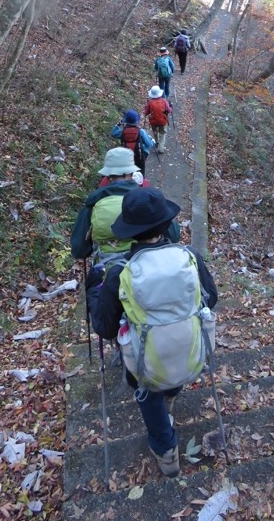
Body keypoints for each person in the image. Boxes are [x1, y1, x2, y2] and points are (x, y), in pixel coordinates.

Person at [86, 188, 218, 478]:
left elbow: (105, 327)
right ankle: (170, 392)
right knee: (169, 362)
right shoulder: (190, 257)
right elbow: (211, 298)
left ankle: (166, 450)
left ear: (130, 231)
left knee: (146, 384)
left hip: (146, 362)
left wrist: (94, 291)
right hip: (191, 353)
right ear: (164, 225)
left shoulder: (120, 272)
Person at [71, 149, 179, 265]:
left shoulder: (93, 205)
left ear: (108, 175)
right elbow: (174, 235)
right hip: (146, 267)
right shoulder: (147, 201)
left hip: (107, 269)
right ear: (131, 173)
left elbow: (79, 250)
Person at [111, 109, 154, 178]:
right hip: (139, 156)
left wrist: (119, 123)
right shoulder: (141, 132)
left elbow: (113, 133)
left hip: (126, 156)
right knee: (140, 174)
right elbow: (150, 144)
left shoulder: (123, 132)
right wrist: (152, 141)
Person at [144, 86, 171, 154]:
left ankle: (156, 142)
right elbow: (169, 110)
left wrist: (146, 108)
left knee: (155, 132)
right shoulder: (164, 101)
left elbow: (146, 112)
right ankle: (161, 148)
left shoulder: (150, 102)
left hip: (153, 121)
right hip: (163, 121)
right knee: (162, 133)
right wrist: (171, 107)